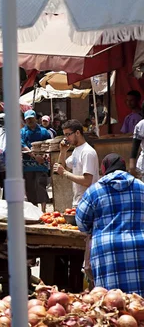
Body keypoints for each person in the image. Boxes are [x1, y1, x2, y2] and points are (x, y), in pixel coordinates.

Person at [76, 154, 144, 295]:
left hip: (107, 251)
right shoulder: (141, 187)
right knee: (139, 303)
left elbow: (81, 223)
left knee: (110, 303)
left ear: (104, 169)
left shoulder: (94, 191)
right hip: (140, 246)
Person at [54, 119, 99, 206]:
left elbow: (87, 181)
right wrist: (62, 152)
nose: (66, 138)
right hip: (78, 201)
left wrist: (64, 172)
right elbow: (62, 167)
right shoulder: (76, 150)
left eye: (68, 135)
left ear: (77, 133)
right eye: (65, 135)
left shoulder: (87, 152)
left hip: (89, 202)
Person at [21, 110, 51, 207]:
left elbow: (49, 144)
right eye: (27, 119)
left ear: (36, 119)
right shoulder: (22, 132)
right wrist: (34, 155)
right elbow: (21, 144)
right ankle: (33, 208)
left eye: (31, 118)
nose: (29, 121)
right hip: (27, 164)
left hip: (42, 163)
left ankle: (43, 209)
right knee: (29, 187)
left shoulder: (44, 131)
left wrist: (46, 155)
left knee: (41, 184)